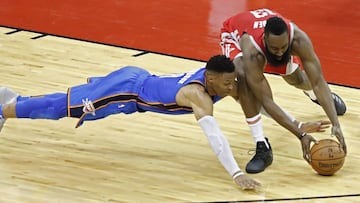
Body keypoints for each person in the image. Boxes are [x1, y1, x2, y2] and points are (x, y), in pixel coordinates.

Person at [0, 55, 329, 190]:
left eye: (233, 84)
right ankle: (6, 109)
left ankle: (11, 101)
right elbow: (215, 137)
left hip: (137, 83)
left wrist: (298, 126)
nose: (232, 90)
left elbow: (256, 103)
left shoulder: (221, 81)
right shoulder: (197, 95)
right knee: (64, 108)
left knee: (64, 104)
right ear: (211, 80)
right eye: (227, 85)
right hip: (126, 92)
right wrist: (236, 173)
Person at [219, 8, 347, 174]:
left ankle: (317, 97)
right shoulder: (252, 51)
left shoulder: (299, 39)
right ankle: (261, 145)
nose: (279, 53)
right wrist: (300, 133)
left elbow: (318, 81)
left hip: (267, 33)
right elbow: (267, 101)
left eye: (283, 48)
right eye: (275, 49)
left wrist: (335, 123)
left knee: (298, 79)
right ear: (265, 40)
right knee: (245, 80)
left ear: (289, 39)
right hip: (234, 36)